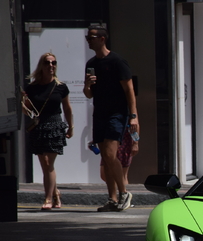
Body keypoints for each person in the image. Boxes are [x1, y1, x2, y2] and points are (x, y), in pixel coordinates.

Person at [83, 25, 138, 212]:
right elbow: (88, 95)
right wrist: (87, 85)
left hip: (117, 113)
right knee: (106, 158)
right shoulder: (91, 64)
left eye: (91, 37)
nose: (88, 40)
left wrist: (133, 116)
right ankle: (112, 199)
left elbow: (129, 90)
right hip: (100, 113)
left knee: (109, 154)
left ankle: (124, 193)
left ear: (102, 39)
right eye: (87, 37)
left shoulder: (117, 61)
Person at [22, 53, 73, 210]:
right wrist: (22, 102)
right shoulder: (32, 88)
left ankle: (48, 198)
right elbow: (28, 109)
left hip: (55, 125)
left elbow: (67, 109)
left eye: (53, 63)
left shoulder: (61, 87)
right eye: (47, 63)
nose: (51, 65)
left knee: (48, 163)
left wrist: (71, 127)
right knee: (45, 166)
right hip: (39, 126)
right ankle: (56, 192)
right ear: (41, 66)